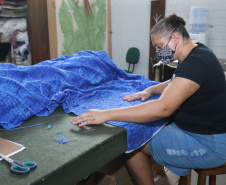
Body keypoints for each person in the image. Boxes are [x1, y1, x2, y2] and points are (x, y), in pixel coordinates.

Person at [71, 14, 226, 185]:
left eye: (159, 47)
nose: (159, 52)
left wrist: (106, 114)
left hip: (210, 145)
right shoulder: (196, 52)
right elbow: (178, 81)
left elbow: (163, 108)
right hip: (203, 133)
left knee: (131, 141)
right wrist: (150, 89)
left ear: (175, 38)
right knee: (141, 131)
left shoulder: (197, 62)